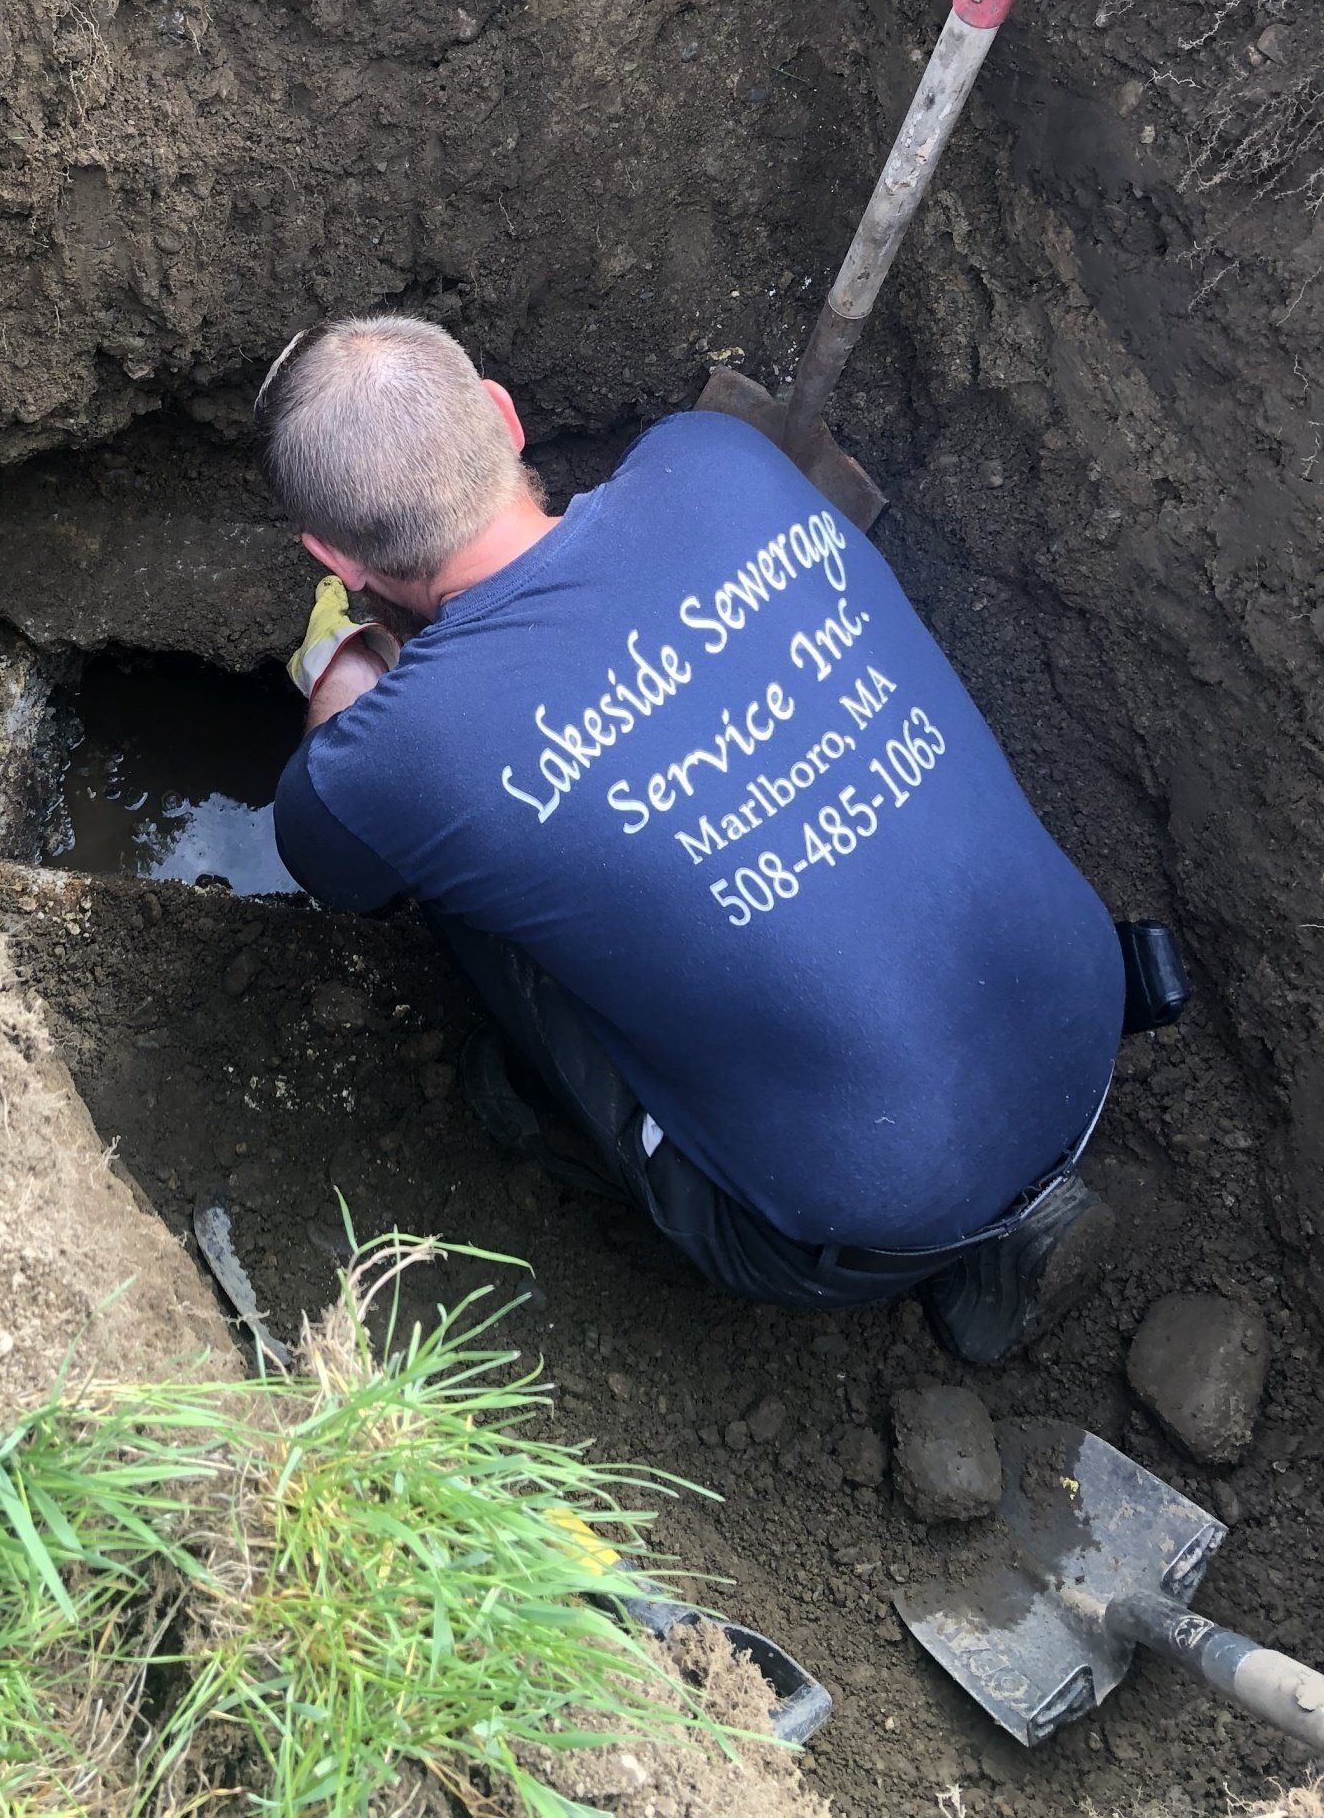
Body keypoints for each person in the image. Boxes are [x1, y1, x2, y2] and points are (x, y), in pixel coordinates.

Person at [257, 314, 1134, 1363]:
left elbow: (327, 862)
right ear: (503, 413)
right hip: (1087, 1015)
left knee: (469, 895)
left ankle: (578, 1129)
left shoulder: (394, 760)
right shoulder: (713, 455)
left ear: (334, 558)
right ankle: (1008, 1195)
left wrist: (345, 691)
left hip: (849, 1227)